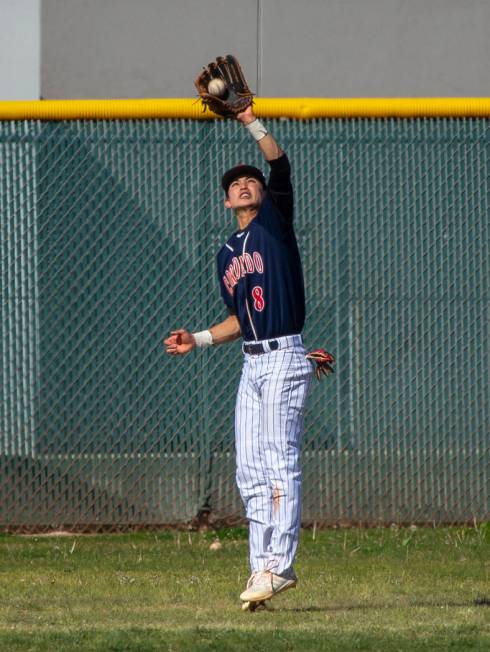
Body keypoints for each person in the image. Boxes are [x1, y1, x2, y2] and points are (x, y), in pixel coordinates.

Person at [164, 105, 314, 609]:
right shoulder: (228, 252)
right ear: (226, 200)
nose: (246, 184)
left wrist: (250, 120)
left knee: (278, 462)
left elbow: (281, 166)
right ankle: (259, 569)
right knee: (249, 469)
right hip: (252, 364)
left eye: (252, 180)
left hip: (282, 358)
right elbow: (238, 320)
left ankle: (279, 566)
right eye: (237, 183)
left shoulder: (274, 224)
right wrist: (200, 339)